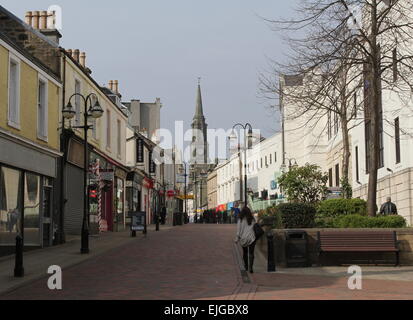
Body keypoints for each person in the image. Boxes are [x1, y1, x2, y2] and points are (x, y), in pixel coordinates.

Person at [235, 207, 256, 274]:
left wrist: (237, 239)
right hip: (251, 237)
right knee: (251, 253)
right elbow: (255, 225)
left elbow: (238, 230)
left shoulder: (240, 220)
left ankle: (246, 266)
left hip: (243, 238)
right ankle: (251, 268)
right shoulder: (252, 219)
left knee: (245, 252)